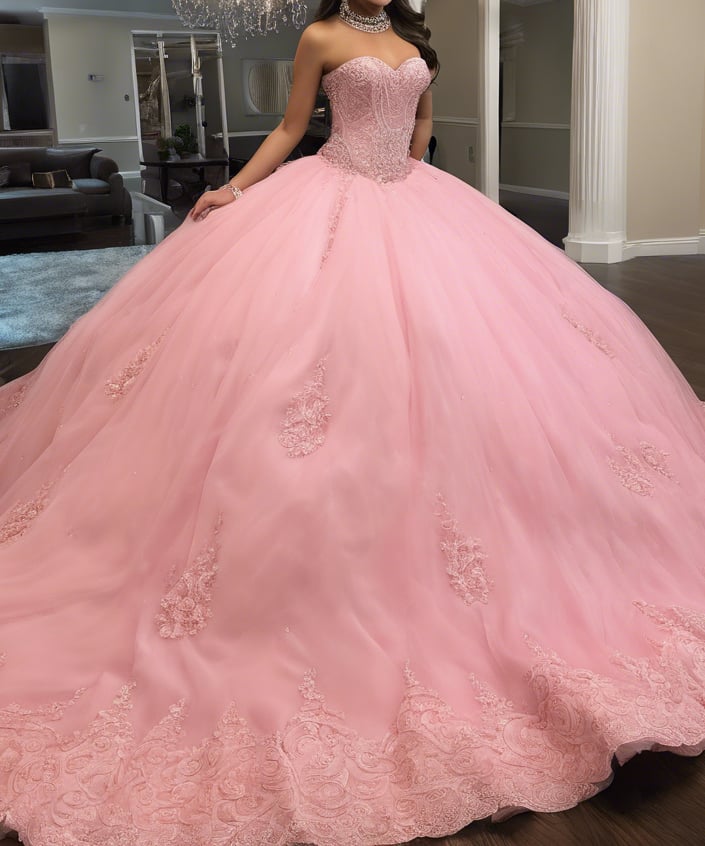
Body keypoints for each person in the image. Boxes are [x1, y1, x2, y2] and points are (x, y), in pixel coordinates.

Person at [1, 1, 705, 844]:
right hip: (326, 200)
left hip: (416, 204)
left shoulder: (411, 41)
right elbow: (292, 125)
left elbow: (424, 126)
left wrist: (411, 187)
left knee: (471, 362)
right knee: (314, 365)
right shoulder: (323, 35)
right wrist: (233, 187)